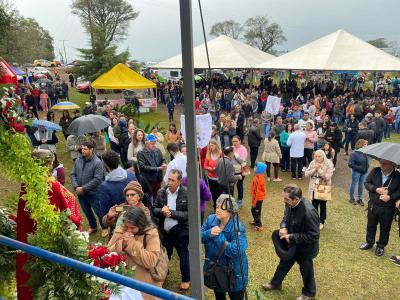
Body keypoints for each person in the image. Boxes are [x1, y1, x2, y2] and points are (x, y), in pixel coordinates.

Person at [16, 149, 81, 300]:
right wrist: (76, 219)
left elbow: (23, 213)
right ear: (49, 163)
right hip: (49, 239)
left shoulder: (27, 183)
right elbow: (68, 216)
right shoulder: (52, 186)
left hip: (28, 236)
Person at [262, 184, 319, 300]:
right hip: (292, 243)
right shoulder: (290, 203)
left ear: (296, 199)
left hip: (305, 248)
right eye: (284, 198)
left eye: (286, 199)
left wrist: (292, 237)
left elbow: (314, 235)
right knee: (284, 262)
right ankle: (276, 283)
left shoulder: (309, 212)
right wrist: (283, 226)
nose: (284, 201)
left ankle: (309, 293)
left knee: (306, 270)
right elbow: (286, 216)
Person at [108, 206, 164, 300]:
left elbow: (151, 261)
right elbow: (108, 251)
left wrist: (131, 244)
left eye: (132, 228)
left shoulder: (151, 233)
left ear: (140, 224)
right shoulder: (120, 229)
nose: (129, 230)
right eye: (127, 227)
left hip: (143, 284)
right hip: (121, 281)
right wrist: (122, 244)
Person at [202, 194, 248, 300]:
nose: (218, 210)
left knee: (235, 296)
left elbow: (236, 251)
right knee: (219, 296)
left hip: (234, 272)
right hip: (215, 269)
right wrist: (209, 233)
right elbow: (198, 236)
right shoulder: (210, 219)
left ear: (231, 212)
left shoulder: (238, 228)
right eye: (217, 207)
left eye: (223, 208)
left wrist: (217, 236)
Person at [153, 169, 190, 291]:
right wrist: (161, 211)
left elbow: (188, 214)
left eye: (173, 180)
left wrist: (171, 213)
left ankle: (186, 279)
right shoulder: (161, 192)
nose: (170, 182)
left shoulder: (186, 193)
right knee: (164, 255)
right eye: (169, 179)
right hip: (165, 231)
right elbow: (154, 209)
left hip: (180, 231)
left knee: (183, 255)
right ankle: (163, 275)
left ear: (179, 181)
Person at [359, 159, 400, 257]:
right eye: (381, 162)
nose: (381, 165)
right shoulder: (375, 171)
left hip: (388, 208)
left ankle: (381, 246)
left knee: (385, 228)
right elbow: (367, 183)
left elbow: (399, 192)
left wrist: (390, 197)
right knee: (371, 224)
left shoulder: (398, 176)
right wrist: (376, 189)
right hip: (373, 204)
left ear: (392, 164)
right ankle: (369, 242)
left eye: (384, 163)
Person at [98, 150, 137, 234]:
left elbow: (106, 213)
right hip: (136, 216)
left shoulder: (105, 186)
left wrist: (119, 209)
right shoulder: (131, 174)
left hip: (120, 224)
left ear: (105, 164)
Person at [70, 140, 105, 235]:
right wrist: (76, 186)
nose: (83, 151)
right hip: (81, 193)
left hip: (94, 193)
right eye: (82, 149)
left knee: (99, 211)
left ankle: (104, 227)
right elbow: (73, 174)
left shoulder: (97, 162)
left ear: (91, 149)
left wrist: (83, 188)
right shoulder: (78, 160)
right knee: (86, 211)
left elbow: (97, 179)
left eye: (85, 149)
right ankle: (93, 226)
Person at [305, 150, 334, 230]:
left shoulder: (329, 163)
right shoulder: (312, 162)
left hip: (323, 186)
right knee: (314, 204)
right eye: (316, 156)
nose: (317, 158)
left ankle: (321, 221)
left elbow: (327, 177)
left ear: (323, 156)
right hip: (314, 186)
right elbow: (306, 174)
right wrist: (314, 169)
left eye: (319, 156)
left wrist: (319, 170)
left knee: (322, 204)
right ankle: (314, 220)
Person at [137, 134, 166, 202]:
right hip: (148, 179)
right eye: (152, 143)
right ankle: (149, 210)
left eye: (154, 143)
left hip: (158, 178)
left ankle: (156, 208)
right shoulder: (141, 153)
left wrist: (164, 163)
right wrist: (157, 168)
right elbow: (142, 166)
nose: (154, 145)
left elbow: (162, 159)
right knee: (148, 197)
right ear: (146, 143)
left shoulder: (157, 150)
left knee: (157, 195)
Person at [348, 139, 369, 206]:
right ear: (360, 145)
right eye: (365, 144)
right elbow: (350, 164)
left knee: (361, 186)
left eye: (366, 144)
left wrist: (367, 166)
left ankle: (359, 199)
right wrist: (359, 168)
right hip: (356, 172)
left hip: (364, 172)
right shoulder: (354, 153)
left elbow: (366, 161)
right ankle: (351, 198)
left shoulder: (365, 152)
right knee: (353, 184)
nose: (366, 146)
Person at [204, 139, 222, 209]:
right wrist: (209, 168)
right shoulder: (208, 155)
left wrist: (217, 168)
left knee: (220, 193)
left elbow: (223, 163)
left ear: (216, 145)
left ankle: (220, 206)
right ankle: (215, 205)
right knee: (213, 192)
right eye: (210, 146)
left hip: (219, 177)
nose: (211, 147)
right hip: (211, 177)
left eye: (212, 145)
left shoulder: (220, 153)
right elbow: (205, 165)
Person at [250, 162, 267, 231]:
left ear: (259, 169)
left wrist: (254, 202)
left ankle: (259, 226)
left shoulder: (258, 179)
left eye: (255, 167)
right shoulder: (258, 176)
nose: (254, 168)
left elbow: (257, 192)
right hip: (258, 197)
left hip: (258, 198)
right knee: (255, 210)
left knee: (256, 211)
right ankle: (255, 221)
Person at [232, 136, 248, 207]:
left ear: (240, 141)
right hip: (232, 170)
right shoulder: (232, 148)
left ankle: (239, 200)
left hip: (240, 170)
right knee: (231, 185)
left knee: (239, 185)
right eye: (233, 141)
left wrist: (235, 155)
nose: (234, 143)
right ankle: (231, 200)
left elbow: (242, 160)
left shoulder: (243, 149)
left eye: (236, 141)